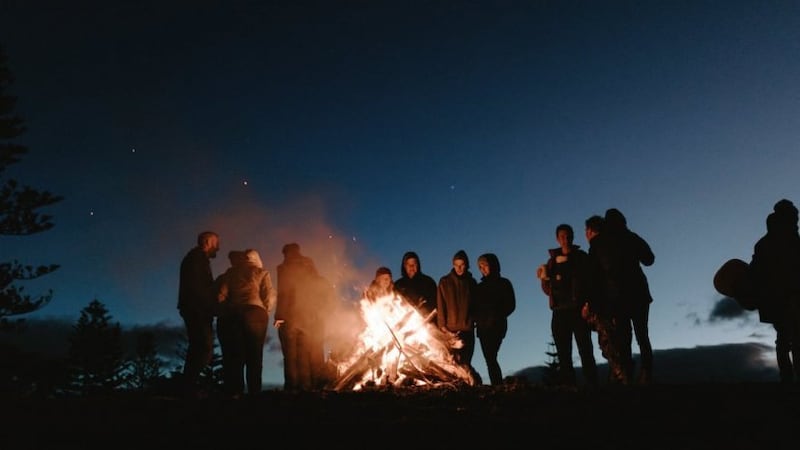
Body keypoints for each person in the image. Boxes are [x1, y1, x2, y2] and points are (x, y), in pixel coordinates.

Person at [538, 224, 598, 388]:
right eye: (563, 236)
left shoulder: (581, 258)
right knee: (564, 354)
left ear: (573, 237)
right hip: (559, 312)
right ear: (558, 239)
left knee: (585, 351)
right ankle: (569, 388)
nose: (566, 239)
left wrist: (588, 305)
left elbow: (591, 283)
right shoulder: (551, 262)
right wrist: (544, 279)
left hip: (579, 311)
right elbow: (547, 290)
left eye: (569, 235)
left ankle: (593, 387)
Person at [750, 199, 800, 384]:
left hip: (776, 297)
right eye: (794, 218)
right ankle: (790, 379)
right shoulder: (792, 241)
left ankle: (787, 379)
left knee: (785, 338)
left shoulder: (764, 243)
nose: (796, 221)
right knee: (793, 338)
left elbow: (755, 270)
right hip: (788, 295)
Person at [604, 208, 655, 385]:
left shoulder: (608, 242)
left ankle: (629, 376)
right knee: (641, 336)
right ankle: (644, 374)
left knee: (625, 338)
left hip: (622, 297)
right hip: (636, 294)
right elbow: (649, 259)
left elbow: (649, 259)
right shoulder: (631, 238)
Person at [215, 249, 276, 397]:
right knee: (255, 355)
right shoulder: (261, 272)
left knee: (235, 355)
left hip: (233, 314)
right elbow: (270, 295)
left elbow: (220, 296)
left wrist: (225, 311)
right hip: (255, 313)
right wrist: (265, 311)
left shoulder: (229, 274)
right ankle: (254, 392)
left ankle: (235, 393)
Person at [274, 243, 335, 390]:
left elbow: (283, 294)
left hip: (291, 319)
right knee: (309, 354)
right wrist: (321, 313)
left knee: (291, 357)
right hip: (311, 319)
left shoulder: (284, 269)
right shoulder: (314, 274)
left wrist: (278, 317)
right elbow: (329, 298)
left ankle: (293, 388)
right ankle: (311, 387)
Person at [582, 215, 629, 385]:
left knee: (608, 341)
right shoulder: (611, 246)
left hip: (606, 303)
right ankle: (619, 376)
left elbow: (597, 278)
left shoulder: (598, 248)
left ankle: (621, 376)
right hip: (614, 300)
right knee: (615, 340)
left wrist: (592, 303)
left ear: (590, 231)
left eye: (586, 231)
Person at [177, 230, 220, 396]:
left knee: (198, 346)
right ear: (208, 242)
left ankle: (188, 386)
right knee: (203, 346)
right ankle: (188, 387)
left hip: (193, 307)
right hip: (197, 308)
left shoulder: (194, 258)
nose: (219, 247)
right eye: (217, 243)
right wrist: (209, 305)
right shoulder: (197, 259)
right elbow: (199, 287)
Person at [437, 249, 481, 384]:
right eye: (456, 265)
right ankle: (455, 389)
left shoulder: (471, 283)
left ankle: (468, 388)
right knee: (453, 363)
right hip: (450, 330)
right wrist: (442, 326)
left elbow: (476, 304)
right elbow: (440, 304)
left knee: (466, 362)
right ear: (453, 265)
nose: (459, 268)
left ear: (466, 265)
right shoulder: (445, 282)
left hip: (467, 329)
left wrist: (474, 320)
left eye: (462, 265)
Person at [473, 253, 516, 385]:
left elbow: (511, 305)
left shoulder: (503, 283)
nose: (483, 269)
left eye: (485, 265)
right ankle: (496, 385)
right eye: (480, 267)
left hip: (497, 326)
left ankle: (497, 385)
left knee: (491, 357)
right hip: (482, 328)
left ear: (493, 265)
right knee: (489, 359)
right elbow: (474, 306)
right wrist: (477, 320)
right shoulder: (479, 287)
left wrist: (497, 315)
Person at [394, 251, 438, 322]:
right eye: (409, 264)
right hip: (406, 324)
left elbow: (435, 303)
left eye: (414, 264)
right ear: (404, 266)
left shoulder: (428, 282)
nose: (412, 267)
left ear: (418, 265)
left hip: (427, 323)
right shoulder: (398, 285)